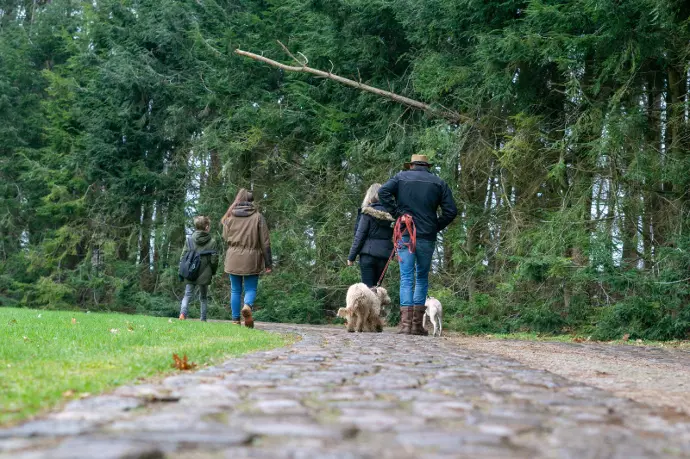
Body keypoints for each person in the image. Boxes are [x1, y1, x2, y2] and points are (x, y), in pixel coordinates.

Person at [379, 153, 457, 335]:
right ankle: (416, 326)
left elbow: (382, 192)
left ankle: (406, 326)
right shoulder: (438, 183)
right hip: (426, 236)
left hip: (406, 232)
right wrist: (434, 226)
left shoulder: (400, 177)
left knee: (406, 277)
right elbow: (451, 210)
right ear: (427, 166)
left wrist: (398, 213)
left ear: (411, 165)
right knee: (421, 277)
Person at [221, 188, 272, 327]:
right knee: (250, 289)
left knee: (235, 290)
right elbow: (265, 242)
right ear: (251, 201)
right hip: (252, 258)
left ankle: (235, 320)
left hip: (233, 257)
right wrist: (268, 263)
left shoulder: (229, 217)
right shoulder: (258, 217)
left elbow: (225, 237)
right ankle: (247, 306)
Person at [347, 183, 395, 287]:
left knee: (367, 290)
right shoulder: (393, 215)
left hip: (367, 255)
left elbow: (359, 236)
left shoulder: (367, 213)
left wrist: (351, 257)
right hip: (384, 255)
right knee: (376, 289)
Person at [179, 216, 219, 321]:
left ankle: (183, 314)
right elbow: (214, 260)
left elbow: (183, 256)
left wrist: (182, 271)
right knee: (203, 297)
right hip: (205, 272)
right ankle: (203, 319)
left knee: (187, 294)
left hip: (190, 271)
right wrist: (212, 271)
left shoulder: (189, 239)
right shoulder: (212, 242)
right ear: (206, 227)